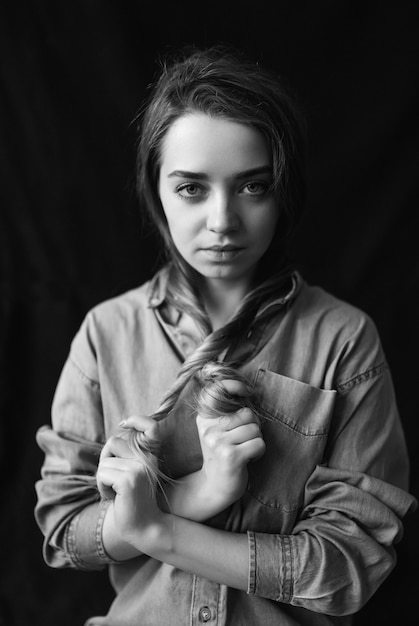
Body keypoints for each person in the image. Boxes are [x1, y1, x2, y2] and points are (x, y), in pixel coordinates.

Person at [35, 45, 416, 626]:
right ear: (155, 190)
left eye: (252, 187)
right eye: (191, 188)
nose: (221, 221)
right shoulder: (105, 334)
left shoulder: (343, 340)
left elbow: (345, 567)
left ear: (282, 189)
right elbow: (65, 533)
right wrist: (196, 495)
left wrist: (158, 529)